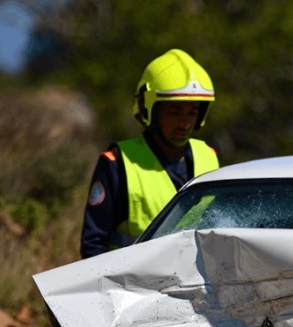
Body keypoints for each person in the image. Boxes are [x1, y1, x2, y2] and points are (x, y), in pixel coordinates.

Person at [80, 49, 220, 258]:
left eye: (192, 112)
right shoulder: (117, 163)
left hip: (197, 284)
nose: (185, 122)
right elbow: (93, 245)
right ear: (150, 111)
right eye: (175, 112)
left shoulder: (209, 157)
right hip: (134, 286)